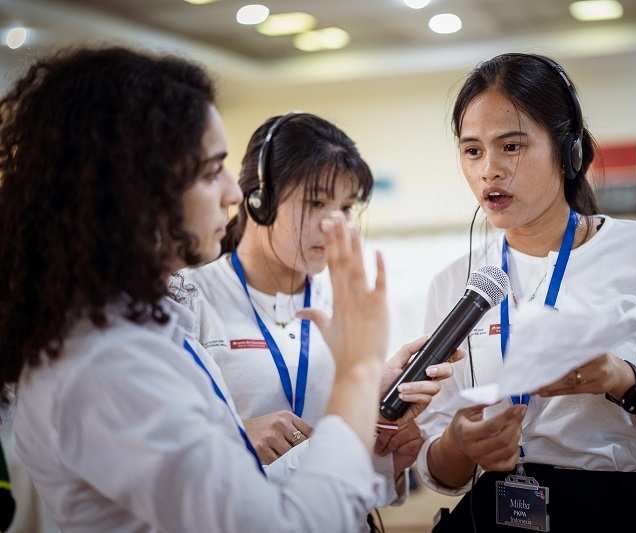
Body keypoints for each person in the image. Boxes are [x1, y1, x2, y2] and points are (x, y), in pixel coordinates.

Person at [0, 46, 399, 532]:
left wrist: (369, 419)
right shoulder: (109, 364)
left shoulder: (139, 331)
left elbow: (241, 491)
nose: (233, 193)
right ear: (137, 190)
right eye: (211, 172)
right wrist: (357, 373)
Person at [414, 53, 636, 532]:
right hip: (498, 508)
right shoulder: (457, 282)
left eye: (512, 146)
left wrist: (623, 381)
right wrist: (460, 443)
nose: (489, 171)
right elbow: (441, 472)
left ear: (570, 153)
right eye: (472, 151)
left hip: (623, 511)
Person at [170, 112, 457, 511]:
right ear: (259, 200)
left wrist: (378, 417)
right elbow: (158, 456)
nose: (335, 224)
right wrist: (233, 436)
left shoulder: (345, 298)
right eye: (316, 202)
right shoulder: (188, 297)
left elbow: (356, 473)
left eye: (347, 206)